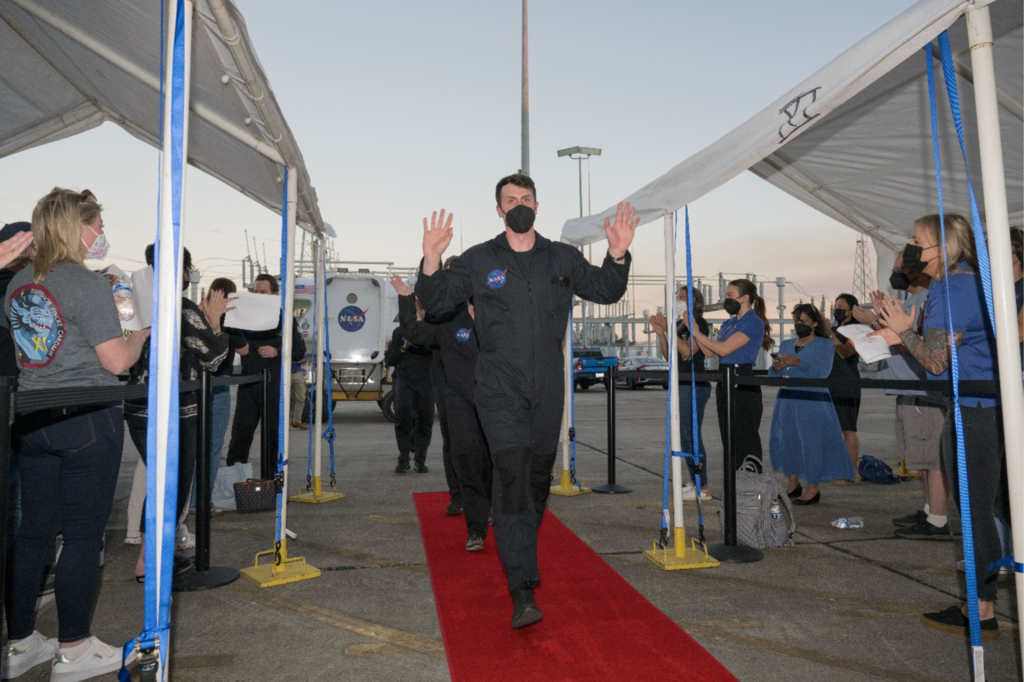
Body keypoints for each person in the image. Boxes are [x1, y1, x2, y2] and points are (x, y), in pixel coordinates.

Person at [415, 173, 637, 628]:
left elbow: (606, 289)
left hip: (548, 388)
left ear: (538, 205)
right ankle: (522, 588)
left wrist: (617, 254)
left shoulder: (562, 257)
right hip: (497, 387)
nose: (519, 204)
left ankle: (520, 549)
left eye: (526, 198)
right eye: (510, 199)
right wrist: (432, 259)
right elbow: (436, 303)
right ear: (499, 210)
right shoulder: (479, 260)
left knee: (536, 479)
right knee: (513, 475)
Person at [3, 188, 149, 680]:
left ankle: (20, 642)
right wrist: (140, 333)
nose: (101, 236)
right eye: (97, 226)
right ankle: (74, 650)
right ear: (75, 227)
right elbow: (117, 362)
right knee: (83, 539)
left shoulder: (18, 282)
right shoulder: (86, 284)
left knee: (33, 534)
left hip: (32, 419)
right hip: (86, 417)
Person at [872, 213, 1003, 639]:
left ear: (941, 248)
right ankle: (982, 601)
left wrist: (903, 332)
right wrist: (904, 334)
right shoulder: (964, 283)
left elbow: (936, 362)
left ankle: (980, 610)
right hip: (984, 406)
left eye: (916, 240)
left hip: (975, 409)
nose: (910, 248)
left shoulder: (952, 288)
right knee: (989, 507)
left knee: (975, 510)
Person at [124, 245, 230, 582]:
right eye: (188, 268)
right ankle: (149, 562)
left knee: (158, 483)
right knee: (172, 487)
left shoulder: (132, 303)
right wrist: (214, 322)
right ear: (180, 270)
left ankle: (154, 556)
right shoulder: (183, 309)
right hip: (178, 412)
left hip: (138, 406)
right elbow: (214, 360)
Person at [392, 273, 492, 549]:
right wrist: (405, 297)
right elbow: (414, 333)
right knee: (467, 462)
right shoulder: (451, 324)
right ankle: (475, 529)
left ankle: (493, 506)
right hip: (460, 404)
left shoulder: (500, 322)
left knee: (492, 461)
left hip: (495, 404)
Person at [856, 255, 950, 540]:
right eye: (895, 267)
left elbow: (918, 343)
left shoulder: (930, 298)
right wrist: (880, 319)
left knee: (932, 458)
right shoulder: (910, 301)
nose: (897, 271)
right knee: (920, 458)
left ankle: (938, 521)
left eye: (901, 267)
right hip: (907, 389)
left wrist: (877, 321)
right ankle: (929, 511)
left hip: (924, 390)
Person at [768, 304, 854, 505]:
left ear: (815, 323)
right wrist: (775, 367)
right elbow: (774, 375)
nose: (799, 325)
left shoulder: (824, 345)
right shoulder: (787, 344)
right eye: (796, 321)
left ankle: (813, 487)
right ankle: (792, 483)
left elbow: (822, 373)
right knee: (788, 441)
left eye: (803, 321)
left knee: (811, 443)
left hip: (812, 399)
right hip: (787, 399)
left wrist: (799, 363)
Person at [691, 279, 773, 472]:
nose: (726, 299)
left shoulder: (753, 322)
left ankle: (751, 483)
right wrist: (694, 332)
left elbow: (726, 349)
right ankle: (734, 485)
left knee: (745, 437)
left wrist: (697, 333)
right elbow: (711, 352)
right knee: (729, 437)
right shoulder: (729, 323)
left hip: (741, 379)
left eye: (730, 295)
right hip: (724, 378)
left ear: (744, 298)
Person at [225, 273, 305, 468]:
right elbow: (228, 337)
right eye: (255, 291)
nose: (258, 295)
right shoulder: (242, 318)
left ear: (274, 294)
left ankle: (273, 488)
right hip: (248, 387)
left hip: (275, 388)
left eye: (263, 292)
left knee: (272, 439)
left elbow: (299, 352)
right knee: (240, 437)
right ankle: (236, 486)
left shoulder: (285, 319)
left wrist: (277, 351)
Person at [190, 277, 248, 515]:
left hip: (190, 384)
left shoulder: (193, 315)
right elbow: (243, 349)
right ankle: (200, 502)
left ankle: (186, 501)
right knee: (212, 448)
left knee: (188, 446)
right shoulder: (229, 320)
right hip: (218, 385)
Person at [649, 286, 711, 499]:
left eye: (684, 298)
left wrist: (669, 331)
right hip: (680, 383)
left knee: (692, 435)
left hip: (694, 384)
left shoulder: (698, 323)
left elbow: (688, 351)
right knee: (685, 437)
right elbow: (669, 356)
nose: (679, 301)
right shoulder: (678, 325)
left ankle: (702, 487)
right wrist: (661, 334)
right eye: (678, 298)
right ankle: (696, 482)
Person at [386, 305, 435, 474]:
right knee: (403, 419)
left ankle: (420, 460)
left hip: (426, 381)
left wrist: (419, 338)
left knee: (425, 421)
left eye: (417, 311)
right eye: (411, 312)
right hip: (404, 380)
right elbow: (390, 360)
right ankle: (404, 458)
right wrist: (404, 347)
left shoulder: (430, 331)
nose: (413, 315)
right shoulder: (399, 332)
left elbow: (433, 351)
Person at [824, 293, 862, 483]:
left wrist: (830, 333)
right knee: (833, 428)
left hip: (847, 382)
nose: (837, 310)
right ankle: (836, 468)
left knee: (848, 428)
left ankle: (852, 472)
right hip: (830, 381)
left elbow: (846, 352)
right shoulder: (832, 329)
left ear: (851, 310)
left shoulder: (857, 329)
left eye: (841, 307)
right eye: (835, 306)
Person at [290, 353, 309, 430]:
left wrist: (299, 361)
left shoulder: (298, 348)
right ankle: (286, 423)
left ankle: (297, 420)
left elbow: (305, 359)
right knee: (285, 400)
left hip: (297, 372)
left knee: (301, 398)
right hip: (286, 372)